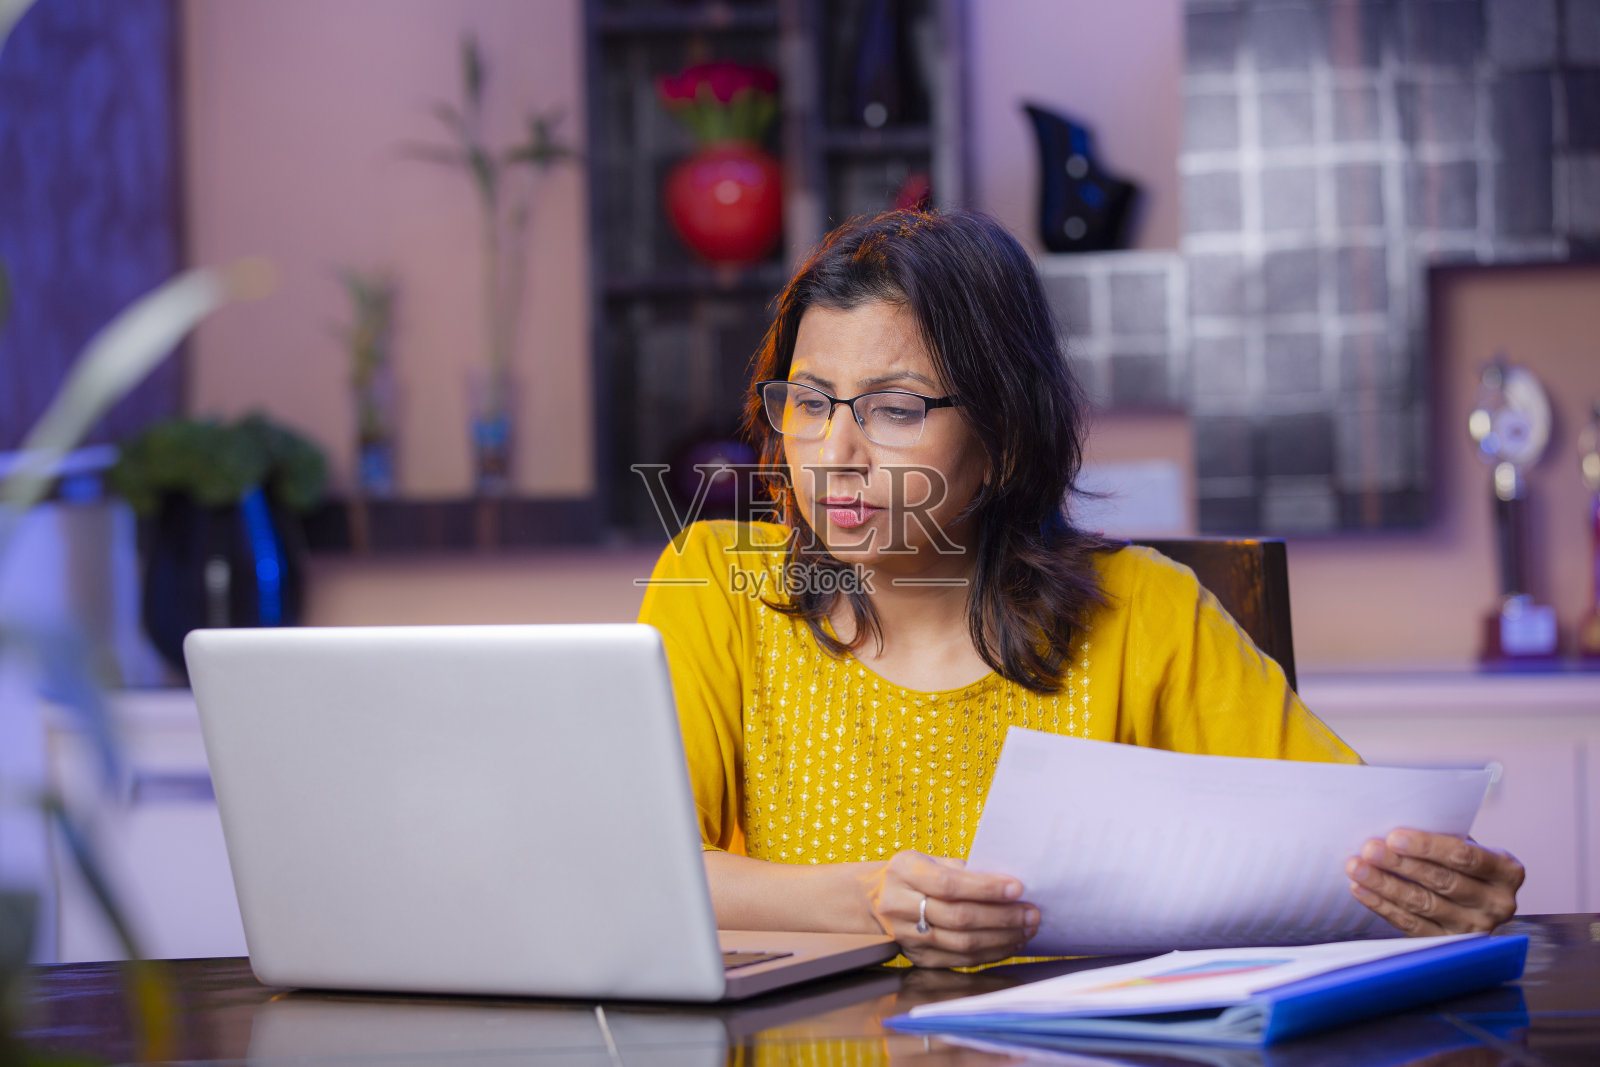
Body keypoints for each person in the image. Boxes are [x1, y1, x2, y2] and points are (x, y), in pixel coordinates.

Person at [637, 210, 1524, 969]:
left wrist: (1439, 887)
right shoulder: (719, 581)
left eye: (896, 409)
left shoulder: (1145, 609)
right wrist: (871, 896)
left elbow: (1348, 857)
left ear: (1006, 441)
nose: (836, 455)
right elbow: (637, 868)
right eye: (811, 402)